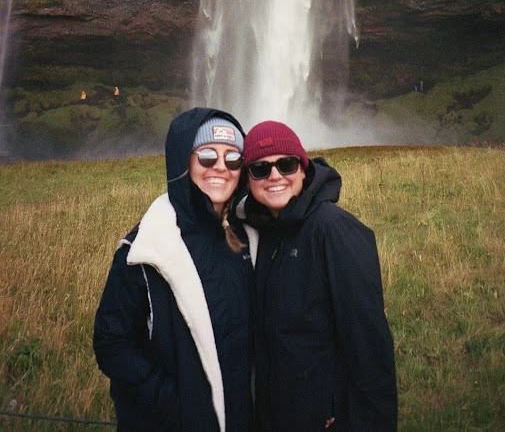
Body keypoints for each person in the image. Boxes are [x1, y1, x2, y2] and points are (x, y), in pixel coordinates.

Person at [93, 107, 253, 431]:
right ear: (185, 161)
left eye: (233, 158)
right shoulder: (144, 249)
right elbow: (111, 343)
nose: (220, 167)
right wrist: (175, 404)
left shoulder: (247, 238)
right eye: (207, 156)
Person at [239, 120, 397, 432]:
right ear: (247, 179)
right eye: (260, 169)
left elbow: (369, 347)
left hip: (326, 419)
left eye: (286, 164)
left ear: (303, 168)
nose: (275, 176)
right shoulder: (261, 232)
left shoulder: (333, 230)